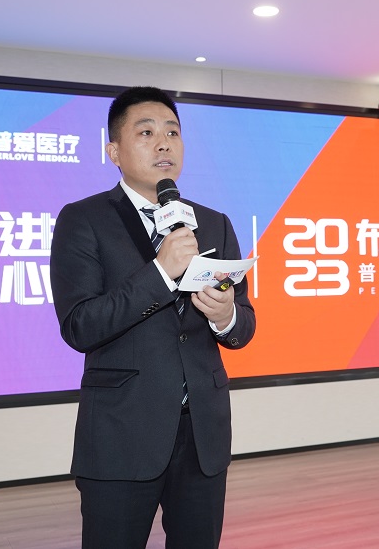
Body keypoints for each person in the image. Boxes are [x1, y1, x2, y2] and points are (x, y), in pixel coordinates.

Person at [49, 86, 256, 548]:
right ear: (114, 152)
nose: (164, 143)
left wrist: (225, 316)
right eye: (146, 133)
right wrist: (161, 273)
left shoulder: (214, 222)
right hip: (123, 434)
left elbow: (243, 326)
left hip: (202, 435)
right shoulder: (83, 220)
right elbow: (80, 325)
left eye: (172, 132)